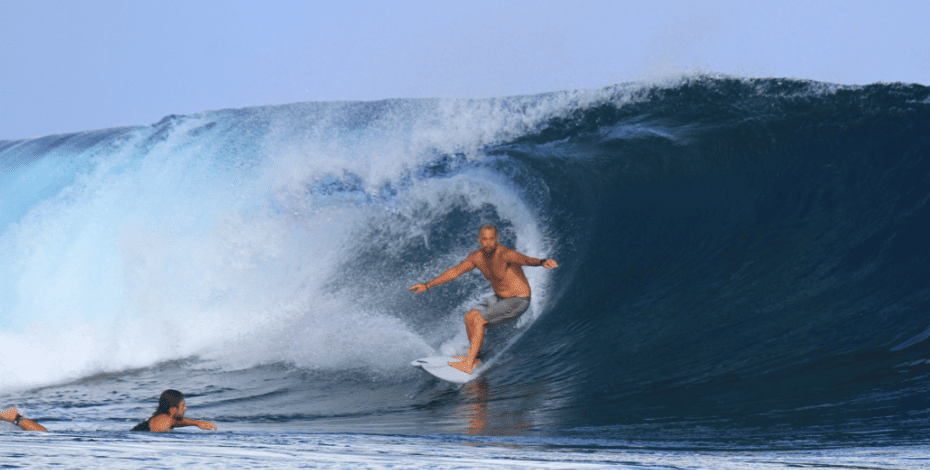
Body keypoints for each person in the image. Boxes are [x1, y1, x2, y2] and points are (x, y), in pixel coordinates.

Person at [409, 224, 558, 374]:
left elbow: (525, 260)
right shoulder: (477, 257)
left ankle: (468, 364)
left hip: (519, 300)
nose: (488, 243)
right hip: (499, 298)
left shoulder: (505, 253)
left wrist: (542, 262)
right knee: (469, 317)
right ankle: (476, 359)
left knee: (479, 320)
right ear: (479, 240)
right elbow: (455, 271)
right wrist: (427, 285)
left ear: (496, 239)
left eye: (491, 239)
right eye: (484, 239)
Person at [130, 389, 217, 432]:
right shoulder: (162, 423)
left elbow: (176, 422)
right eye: (182, 406)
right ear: (172, 409)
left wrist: (197, 423)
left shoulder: (165, 418)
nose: (185, 408)